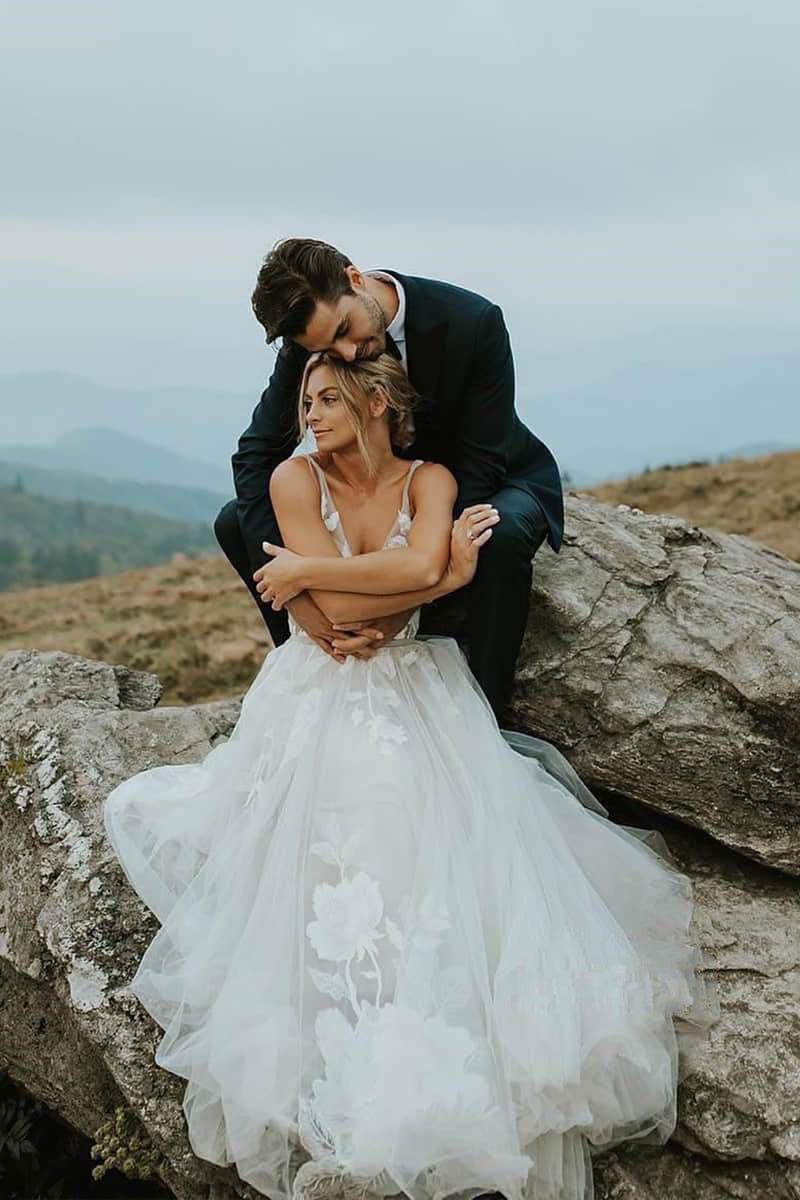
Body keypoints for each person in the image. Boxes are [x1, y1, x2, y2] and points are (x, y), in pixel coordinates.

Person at [104, 352, 716, 1200]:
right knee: (342, 825)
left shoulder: (431, 480)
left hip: (420, 686)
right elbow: (347, 616)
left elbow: (391, 584)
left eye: (328, 398)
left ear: (377, 402)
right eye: (306, 400)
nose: (310, 415)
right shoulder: (292, 479)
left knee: (430, 827)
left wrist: (330, 574)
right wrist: (422, 577)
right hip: (316, 686)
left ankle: (437, 1045)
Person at [214, 237, 565, 723]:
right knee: (234, 522)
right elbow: (256, 453)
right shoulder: (312, 336)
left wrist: (402, 604)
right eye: (325, 348)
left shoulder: (473, 321)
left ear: (355, 280)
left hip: (486, 474)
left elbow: (481, 464)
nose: (345, 353)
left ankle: (489, 718)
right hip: (376, 482)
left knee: (493, 535)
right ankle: (320, 661)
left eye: (345, 330)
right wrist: (300, 604)